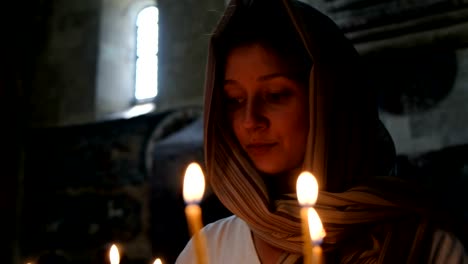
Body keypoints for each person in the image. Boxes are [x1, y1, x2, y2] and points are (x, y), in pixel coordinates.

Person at [176, 0, 468, 263]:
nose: (250, 120)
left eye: (276, 95)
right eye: (234, 100)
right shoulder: (209, 249)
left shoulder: (423, 245)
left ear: (328, 102)